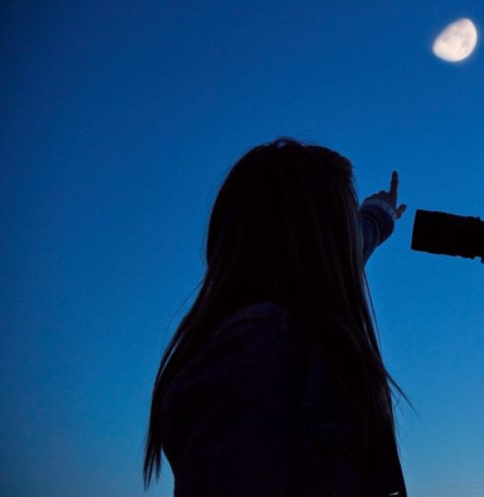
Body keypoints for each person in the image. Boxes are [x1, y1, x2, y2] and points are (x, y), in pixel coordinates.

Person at [143, 138, 408, 496]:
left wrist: (378, 214)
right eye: (342, 223)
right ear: (318, 237)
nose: (350, 240)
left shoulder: (286, 326)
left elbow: (348, 250)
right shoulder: (253, 350)